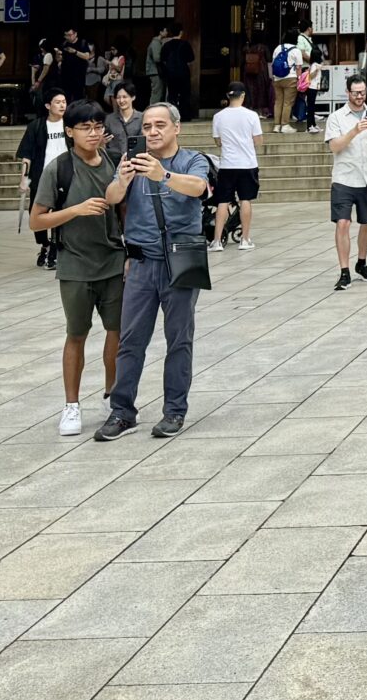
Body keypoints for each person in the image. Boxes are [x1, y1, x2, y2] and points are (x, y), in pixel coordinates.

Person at [98, 104, 212, 440]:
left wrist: (162, 174)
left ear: (177, 128)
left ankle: (174, 411)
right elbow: (110, 197)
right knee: (130, 340)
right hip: (141, 262)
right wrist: (123, 179)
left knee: (179, 339)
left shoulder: (193, 160)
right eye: (147, 126)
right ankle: (122, 412)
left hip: (182, 258)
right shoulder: (132, 161)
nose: (152, 132)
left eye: (160, 125)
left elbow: (197, 188)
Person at [28, 101, 126, 438]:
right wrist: (76, 210)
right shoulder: (59, 169)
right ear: (69, 131)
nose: (94, 132)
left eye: (98, 126)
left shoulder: (113, 162)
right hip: (75, 264)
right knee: (77, 334)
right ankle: (71, 406)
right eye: (85, 127)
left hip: (113, 260)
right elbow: (36, 220)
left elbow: (122, 209)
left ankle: (113, 396)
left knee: (117, 332)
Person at [325, 76, 367, 291]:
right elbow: (334, 146)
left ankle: (361, 262)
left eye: (362, 92)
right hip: (344, 177)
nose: (360, 97)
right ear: (348, 92)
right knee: (342, 223)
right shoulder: (336, 117)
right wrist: (354, 131)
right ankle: (344, 271)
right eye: (355, 93)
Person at [18, 88, 72, 269]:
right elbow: (27, 155)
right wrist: (24, 178)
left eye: (64, 101)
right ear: (48, 105)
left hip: (65, 175)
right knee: (38, 214)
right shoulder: (37, 126)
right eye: (58, 102)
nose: (62, 105)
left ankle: (56, 248)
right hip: (42, 176)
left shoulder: (70, 125)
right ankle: (45, 245)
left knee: (61, 213)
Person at [209, 83, 263, 251]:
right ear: (243, 96)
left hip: (227, 164)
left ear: (228, 96)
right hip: (247, 163)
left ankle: (217, 241)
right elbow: (258, 141)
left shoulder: (218, 117)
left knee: (223, 201)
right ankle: (245, 239)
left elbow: (218, 141)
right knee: (246, 199)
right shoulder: (252, 115)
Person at [158, 23, 194, 118]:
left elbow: (162, 60)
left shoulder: (166, 45)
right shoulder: (185, 44)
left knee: (172, 95)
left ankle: (173, 116)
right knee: (184, 94)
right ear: (181, 32)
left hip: (170, 73)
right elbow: (191, 58)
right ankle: (185, 115)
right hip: (183, 72)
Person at [104, 83, 143, 162]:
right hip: (113, 160)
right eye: (118, 97)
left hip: (135, 160)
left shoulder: (142, 118)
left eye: (125, 97)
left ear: (133, 97)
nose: (121, 101)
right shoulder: (109, 119)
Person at [145, 21, 170, 111]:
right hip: (155, 71)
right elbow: (157, 58)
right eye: (165, 30)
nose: (166, 32)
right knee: (156, 92)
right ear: (160, 32)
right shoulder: (156, 43)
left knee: (158, 92)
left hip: (155, 71)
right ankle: (151, 111)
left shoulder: (157, 42)